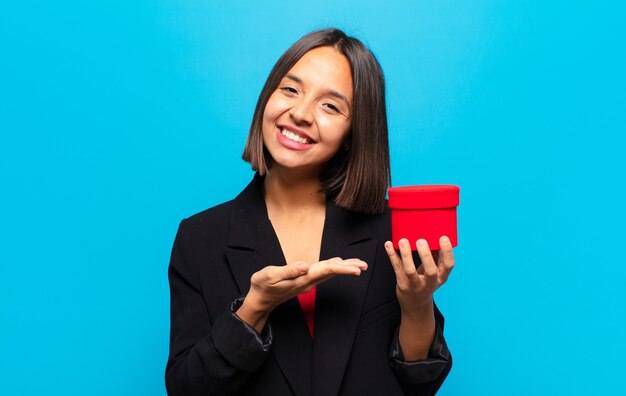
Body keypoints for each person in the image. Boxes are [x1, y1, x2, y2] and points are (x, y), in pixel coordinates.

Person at [165, 28, 455, 396]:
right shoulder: (199, 238)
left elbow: (419, 383)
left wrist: (416, 304)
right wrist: (253, 309)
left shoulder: (390, 230)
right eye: (290, 89)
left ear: (353, 132)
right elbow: (187, 388)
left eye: (330, 105)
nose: (300, 113)